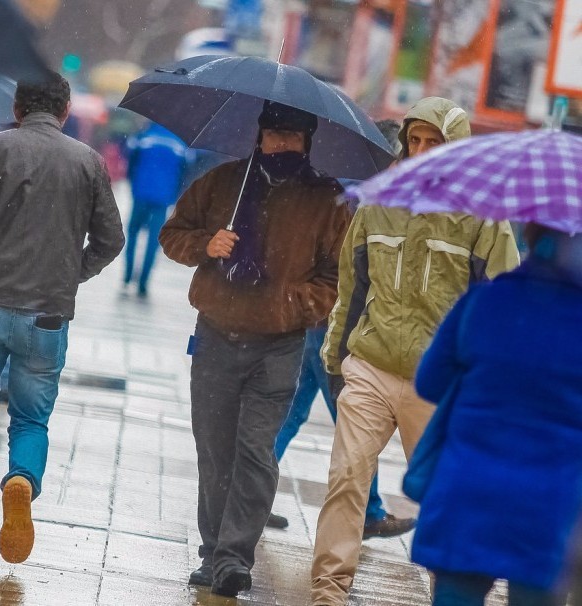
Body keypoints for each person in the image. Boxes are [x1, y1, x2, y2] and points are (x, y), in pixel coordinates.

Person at [310, 97, 521, 606]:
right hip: (372, 365)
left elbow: (504, 304)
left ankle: (444, 589)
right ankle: (328, 586)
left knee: (445, 495)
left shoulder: (483, 216)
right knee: (347, 474)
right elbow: (351, 287)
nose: (421, 150)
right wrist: (337, 362)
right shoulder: (378, 202)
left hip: (441, 381)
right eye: (415, 140)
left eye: (434, 142)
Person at [160, 101, 351, 598]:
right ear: (259, 136)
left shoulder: (327, 199)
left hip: (279, 343)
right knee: (214, 445)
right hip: (217, 332)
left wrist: (297, 301)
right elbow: (171, 234)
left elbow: (336, 276)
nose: (282, 145)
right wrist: (208, 244)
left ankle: (234, 558)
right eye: (274, 135)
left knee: (254, 449)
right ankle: (212, 550)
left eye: (292, 137)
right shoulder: (223, 182)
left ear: (307, 142)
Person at [0, 73, 123, 566]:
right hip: (47, 314)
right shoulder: (87, 162)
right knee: (31, 418)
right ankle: (22, 477)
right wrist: (69, 276)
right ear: (65, 111)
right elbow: (111, 241)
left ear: (18, 108)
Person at [409, 225, 582, 606]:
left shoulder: (482, 303)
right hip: (551, 506)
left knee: (456, 595)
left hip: (466, 490)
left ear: (530, 236)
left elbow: (429, 383)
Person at [268, 119, 410, 539]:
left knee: (290, 413)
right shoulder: (369, 198)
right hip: (338, 324)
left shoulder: (341, 186)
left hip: (316, 318)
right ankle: (370, 512)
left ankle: (248, 495)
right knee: (357, 424)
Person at [122, 121, 188, 297]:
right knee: (154, 239)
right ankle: (143, 281)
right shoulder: (180, 143)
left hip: (141, 192)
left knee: (133, 231)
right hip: (163, 197)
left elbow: (130, 163)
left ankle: (128, 275)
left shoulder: (144, 136)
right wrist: (174, 193)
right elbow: (185, 172)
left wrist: (133, 184)